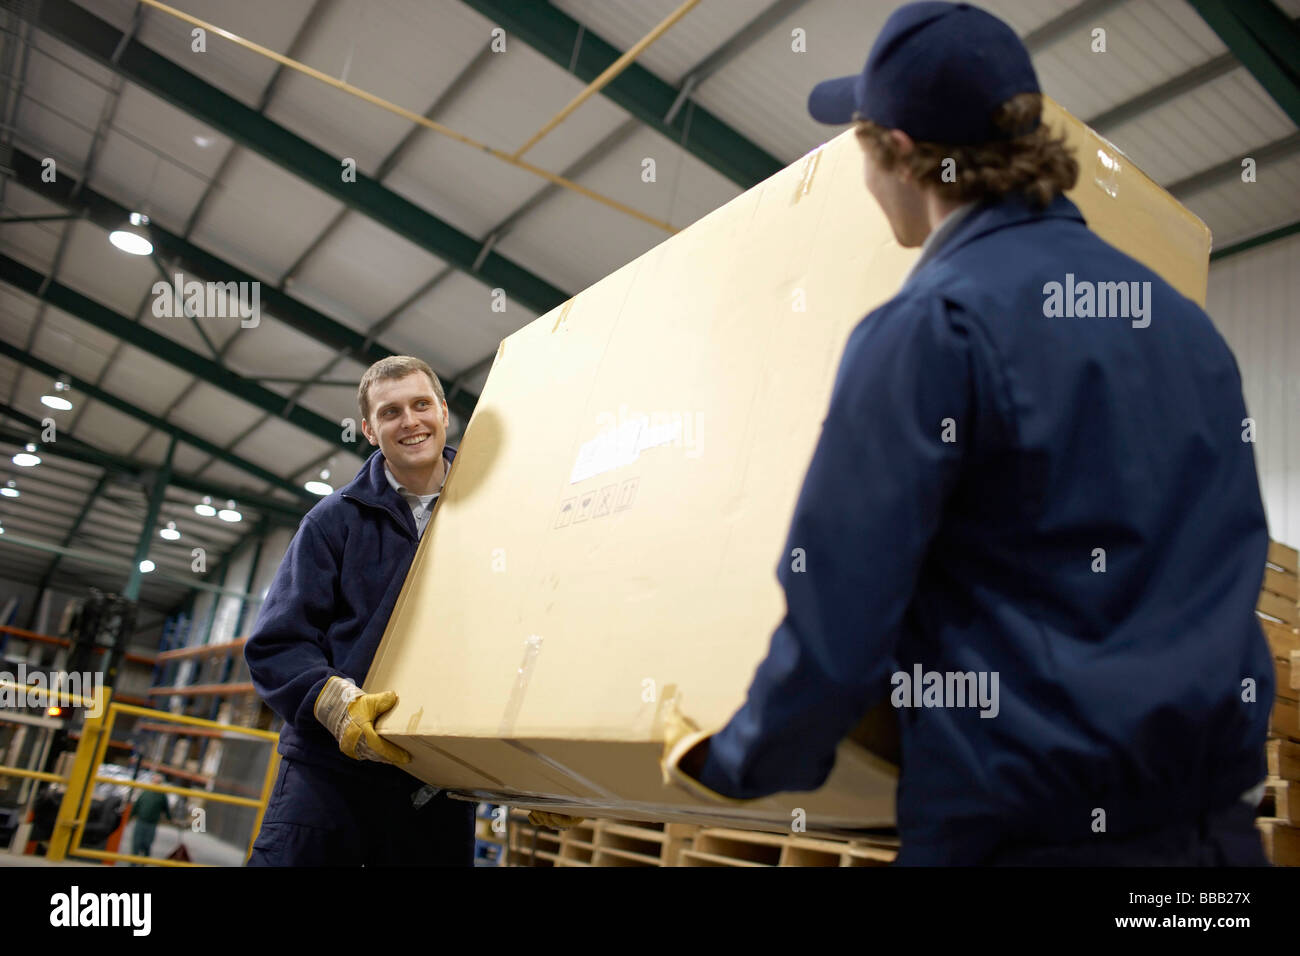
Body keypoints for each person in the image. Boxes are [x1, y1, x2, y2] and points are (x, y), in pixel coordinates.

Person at [662, 1, 1274, 866]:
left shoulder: (929, 327)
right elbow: (1229, 562)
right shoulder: (1180, 325)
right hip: (1212, 848)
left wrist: (738, 758)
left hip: (1023, 839)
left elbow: (840, 614)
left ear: (900, 155)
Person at [245, 356, 474, 866]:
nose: (410, 422)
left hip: (438, 781)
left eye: (421, 405)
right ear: (370, 431)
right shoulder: (333, 521)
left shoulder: (496, 512)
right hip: (330, 776)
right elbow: (277, 644)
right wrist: (336, 704)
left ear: (444, 412)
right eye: (391, 413)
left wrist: (539, 777)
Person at [129, 778, 172, 862]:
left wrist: (169, 818)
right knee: (136, 843)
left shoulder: (162, 796)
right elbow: (137, 805)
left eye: (158, 782)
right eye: (154, 782)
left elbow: (166, 809)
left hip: (152, 823)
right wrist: (130, 817)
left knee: (147, 843)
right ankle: (133, 863)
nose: (155, 784)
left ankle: (144, 861)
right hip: (141, 821)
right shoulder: (145, 793)